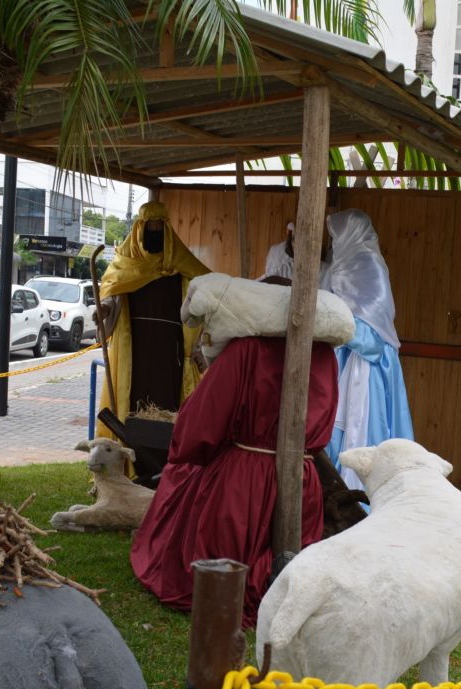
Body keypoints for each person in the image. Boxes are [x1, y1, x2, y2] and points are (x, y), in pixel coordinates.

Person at [129, 332, 338, 628]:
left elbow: (204, 419)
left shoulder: (246, 348)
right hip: (301, 478)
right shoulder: (324, 355)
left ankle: (248, 582)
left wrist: (186, 452)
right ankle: (274, 581)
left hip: (244, 481)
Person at [94, 201, 209, 441]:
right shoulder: (127, 262)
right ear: (140, 227)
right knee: (133, 396)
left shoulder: (181, 264)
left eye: (159, 225)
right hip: (135, 346)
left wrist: (199, 345)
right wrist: (104, 309)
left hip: (170, 349)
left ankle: (165, 458)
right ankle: (131, 455)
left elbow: (205, 293)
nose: (155, 229)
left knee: (167, 400)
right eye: (151, 225)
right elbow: (112, 293)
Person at [320, 208, 414, 490]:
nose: (333, 242)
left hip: (369, 369)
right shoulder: (340, 264)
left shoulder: (370, 265)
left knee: (369, 430)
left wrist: (339, 327)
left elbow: (372, 339)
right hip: (341, 359)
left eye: (336, 236)